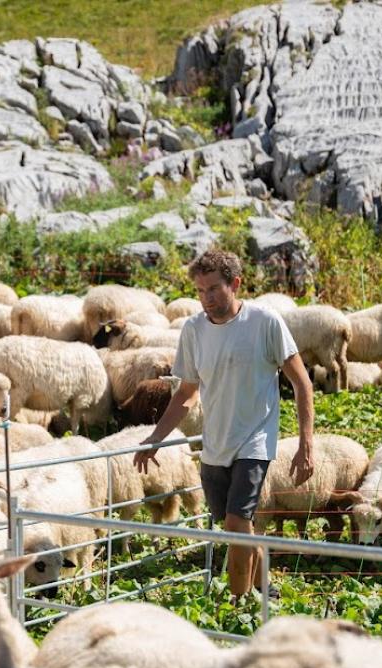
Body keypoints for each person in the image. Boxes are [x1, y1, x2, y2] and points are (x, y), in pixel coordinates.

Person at [134, 248, 314, 601]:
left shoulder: (265, 322)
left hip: (255, 440)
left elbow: (301, 383)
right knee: (237, 526)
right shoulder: (194, 330)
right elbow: (186, 393)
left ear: (235, 283)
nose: (207, 298)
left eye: (214, 289)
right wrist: (155, 437)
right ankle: (264, 583)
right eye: (200, 291)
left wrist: (307, 444)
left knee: (234, 524)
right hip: (215, 446)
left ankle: (237, 604)